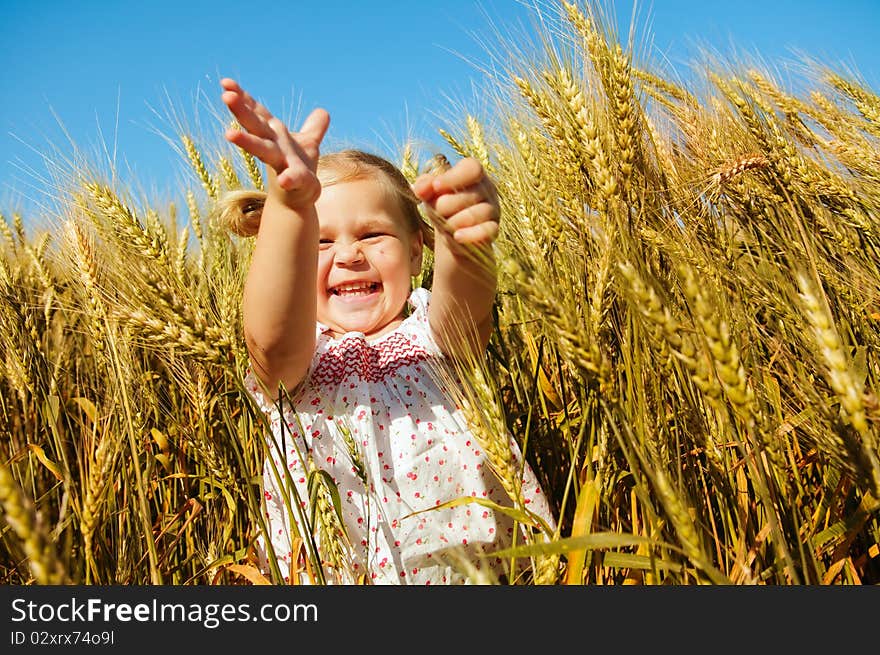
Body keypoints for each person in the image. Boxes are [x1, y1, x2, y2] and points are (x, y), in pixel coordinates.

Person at [219, 78, 554, 585]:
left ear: (418, 250)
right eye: (320, 242)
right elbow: (268, 339)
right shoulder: (303, 360)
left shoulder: (429, 333)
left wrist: (464, 245)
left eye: (373, 235)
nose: (350, 255)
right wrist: (289, 210)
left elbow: (466, 313)